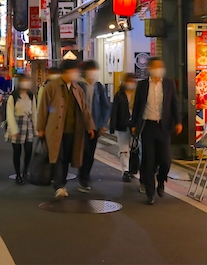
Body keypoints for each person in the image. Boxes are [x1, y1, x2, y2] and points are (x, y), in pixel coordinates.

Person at [37, 60, 96, 199]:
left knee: (67, 157)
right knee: (58, 157)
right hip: (55, 130)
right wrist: (41, 128)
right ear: (66, 72)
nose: (75, 74)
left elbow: (85, 110)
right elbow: (43, 108)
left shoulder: (77, 89)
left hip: (73, 131)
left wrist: (90, 126)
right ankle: (59, 185)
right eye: (73, 71)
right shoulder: (52, 87)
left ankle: (61, 183)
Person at [131, 57, 183, 205]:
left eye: (161, 66)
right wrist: (134, 124)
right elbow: (137, 106)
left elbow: (174, 103)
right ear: (149, 69)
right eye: (155, 66)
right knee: (148, 160)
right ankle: (150, 192)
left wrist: (178, 121)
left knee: (165, 160)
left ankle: (161, 181)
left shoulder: (168, 83)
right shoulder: (142, 86)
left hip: (164, 127)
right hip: (147, 127)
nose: (158, 69)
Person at [77, 61, 111, 192]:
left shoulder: (99, 87)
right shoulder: (79, 86)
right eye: (91, 70)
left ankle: (86, 175)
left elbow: (105, 106)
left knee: (90, 153)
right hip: (81, 127)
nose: (94, 72)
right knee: (83, 152)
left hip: (95, 125)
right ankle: (83, 177)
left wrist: (103, 125)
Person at [5, 74, 36, 185]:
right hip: (16, 123)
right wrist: (14, 130)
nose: (26, 83)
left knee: (28, 151)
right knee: (17, 152)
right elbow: (9, 114)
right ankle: (18, 174)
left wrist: (36, 129)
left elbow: (34, 113)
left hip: (28, 124)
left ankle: (25, 172)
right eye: (24, 81)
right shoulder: (13, 96)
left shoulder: (31, 96)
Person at [110, 73, 138, 182]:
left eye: (133, 81)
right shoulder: (119, 95)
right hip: (122, 125)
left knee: (134, 148)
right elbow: (115, 111)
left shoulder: (138, 94)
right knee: (124, 149)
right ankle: (125, 170)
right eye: (129, 81)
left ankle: (132, 169)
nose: (131, 83)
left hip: (135, 125)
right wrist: (113, 125)